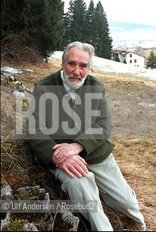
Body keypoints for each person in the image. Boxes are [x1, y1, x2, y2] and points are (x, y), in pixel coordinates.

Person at [27, 41, 146, 231]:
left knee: (127, 202)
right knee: (84, 192)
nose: (77, 71)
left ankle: (139, 224)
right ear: (62, 63)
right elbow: (33, 129)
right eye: (71, 63)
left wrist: (77, 145)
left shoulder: (96, 86)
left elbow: (104, 124)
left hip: (95, 153)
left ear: (89, 68)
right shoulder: (44, 87)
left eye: (83, 66)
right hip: (63, 158)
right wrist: (56, 157)